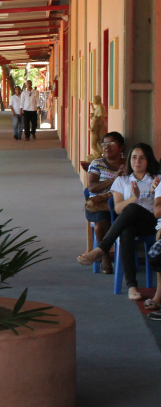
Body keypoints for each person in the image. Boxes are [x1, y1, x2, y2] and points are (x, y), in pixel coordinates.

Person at [78, 143, 160, 301]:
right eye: (134, 157)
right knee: (126, 230)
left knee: (132, 209)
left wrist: (146, 195)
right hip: (129, 223)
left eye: (142, 158)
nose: (137, 161)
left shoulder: (156, 179)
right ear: (129, 160)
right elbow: (117, 209)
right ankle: (132, 286)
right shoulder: (122, 180)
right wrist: (134, 197)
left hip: (151, 223)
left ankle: (102, 248)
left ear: (148, 160)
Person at [84, 132, 126, 274]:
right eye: (104, 144)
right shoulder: (97, 164)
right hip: (99, 205)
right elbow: (92, 187)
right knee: (101, 223)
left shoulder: (128, 165)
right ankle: (105, 256)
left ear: (121, 147)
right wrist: (114, 179)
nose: (106, 147)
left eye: (111, 144)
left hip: (121, 203)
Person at [87, 95, 107, 161]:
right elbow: (96, 113)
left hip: (99, 128)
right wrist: (92, 107)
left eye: (94, 100)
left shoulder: (101, 107)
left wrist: (96, 123)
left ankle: (99, 154)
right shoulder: (98, 107)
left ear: (97, 100)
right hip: (97, 127)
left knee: (99, 140)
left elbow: (101, 117)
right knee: (97, 142)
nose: (93, 101)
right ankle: (98, 154)